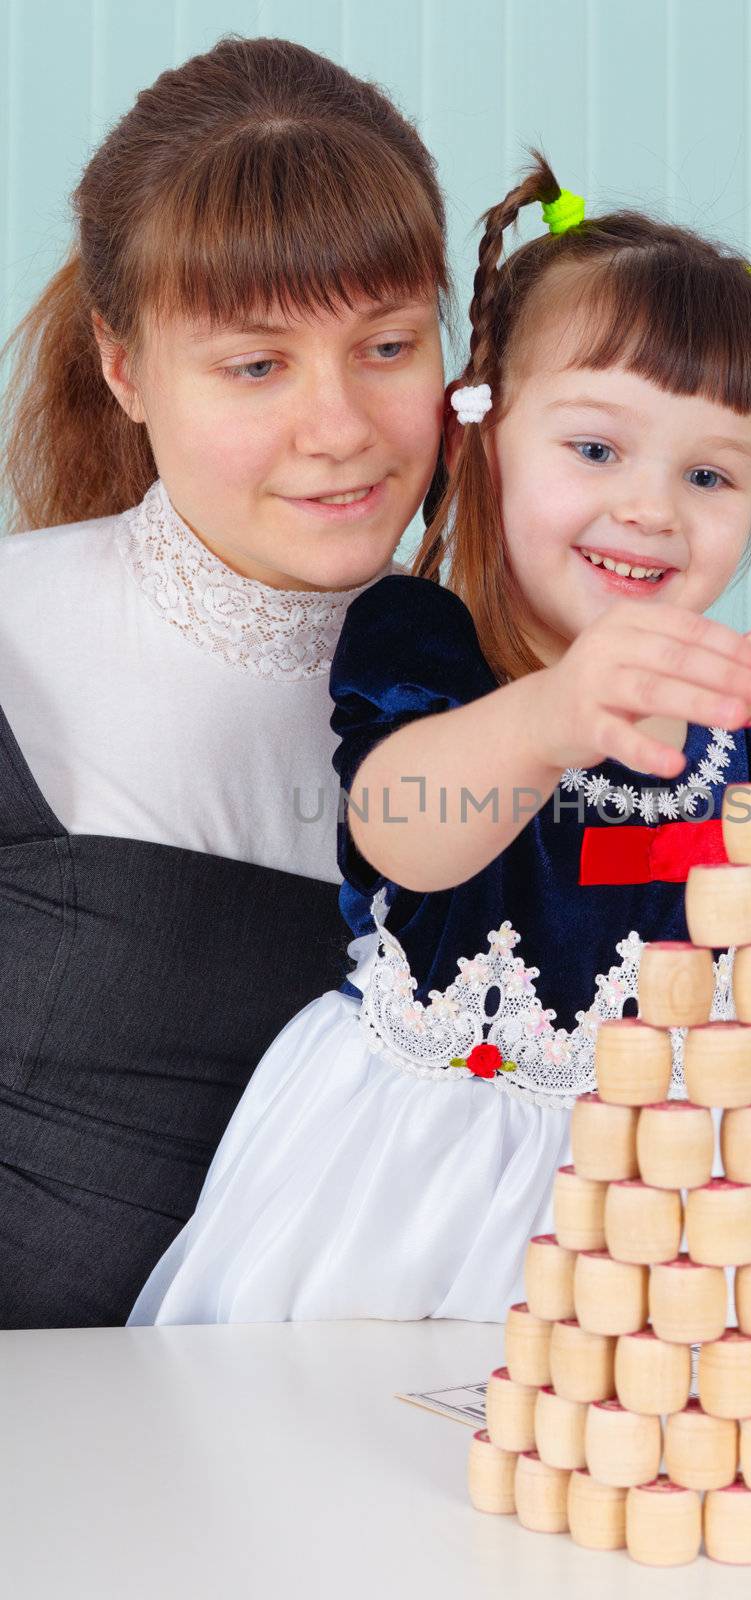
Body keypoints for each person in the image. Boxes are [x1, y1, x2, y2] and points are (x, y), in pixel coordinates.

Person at [128, 152, 751, 1328]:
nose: (649, 507)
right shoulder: (430, 648)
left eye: (707, 473)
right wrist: (552, 718)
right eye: (595, 449)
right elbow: (401, 833)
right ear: (483, 437)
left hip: (676, 1213)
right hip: (419, 1189)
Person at [0, 34, 452, 1328]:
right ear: (124, 367)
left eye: (386, 345)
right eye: (256, 365)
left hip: (388, 1484)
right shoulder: (14, 640)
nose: (340, 429)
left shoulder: (521, 707)